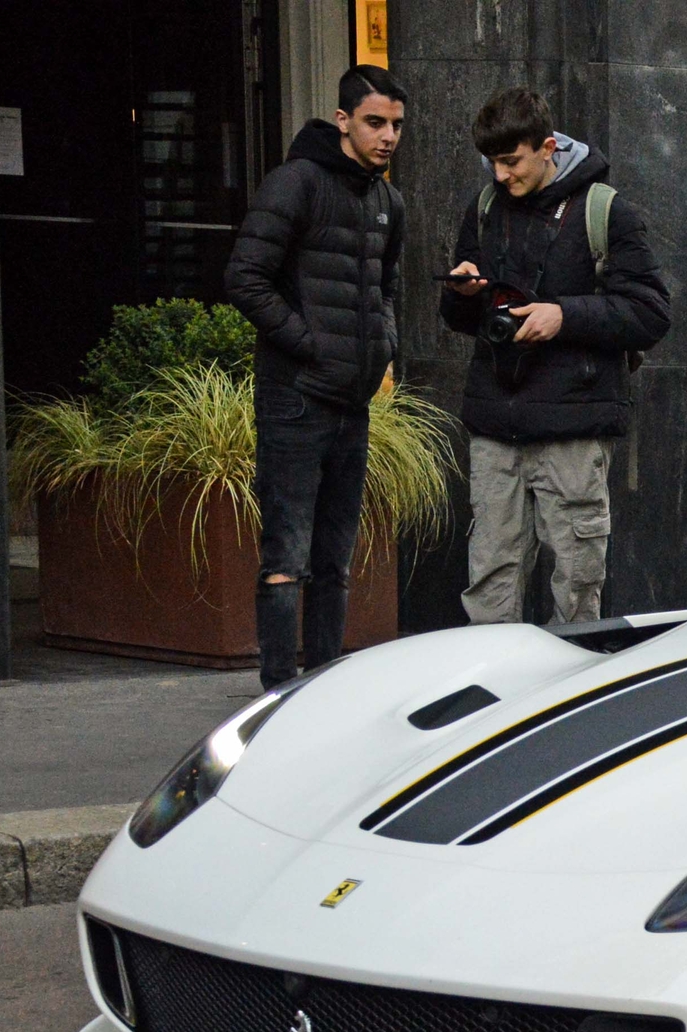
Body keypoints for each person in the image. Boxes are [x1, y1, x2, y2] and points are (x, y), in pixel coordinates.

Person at [441, 87, 670, 625]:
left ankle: (572, 693)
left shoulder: (605, 211)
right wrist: (462, 295)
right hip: (496, 425)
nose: (500, 175)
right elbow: (459, 322)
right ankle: (494, 694)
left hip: (572, 428)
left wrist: (562, 316)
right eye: (491, 162)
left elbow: (651, 313)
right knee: (489, 581)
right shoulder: (484, 208)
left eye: (511, 161)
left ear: (547, 147)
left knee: (576, 587)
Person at [225, 63, 407, 690]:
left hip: (351, 403)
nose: (387, 136)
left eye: (396, 125)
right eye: (374, 123)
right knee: (287, 558)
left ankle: (321, 692)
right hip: (296, 399)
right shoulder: (296, 183)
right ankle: (277, 696)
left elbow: (388, 286)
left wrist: (383, 343)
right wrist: (311, 346)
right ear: (343, 121)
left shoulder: (388, 200)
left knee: (335, 561)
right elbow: (244, 277)